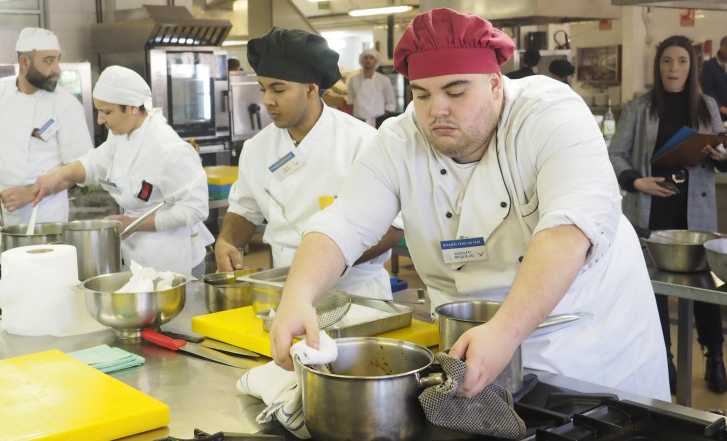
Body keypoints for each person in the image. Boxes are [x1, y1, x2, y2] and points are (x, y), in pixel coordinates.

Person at [268, 8, 670, 402]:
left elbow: (567, 231)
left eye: (455, 92)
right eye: (421, 95)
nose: (435, 110)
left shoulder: (550, 114)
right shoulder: (401, 138)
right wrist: (297, 295)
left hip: (582, 343)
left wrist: (505, 332)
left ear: (496, 84)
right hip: (468, 348)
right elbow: (343, 223)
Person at [214, 27, 403, 300]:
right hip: (285, 288)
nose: (268, 100)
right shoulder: (257, 148)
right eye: (264, 89)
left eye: (279, 89)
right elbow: (245, 209)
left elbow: (393, 227)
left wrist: (324, 263)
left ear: (311, 89)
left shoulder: (362, 142)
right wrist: (227, 240)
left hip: (356, 295)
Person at [609, 35, 727, 395]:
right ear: (657, 65)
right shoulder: (639, 108)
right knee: (652, 291)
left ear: (692, 68)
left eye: (681, 62)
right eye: (666, 61)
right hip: (651, 212)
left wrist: (720, 156)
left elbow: (718, 157)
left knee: (705, 287)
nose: (673, 68)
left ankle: (714, 357)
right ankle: (664, 359)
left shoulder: (707, 107)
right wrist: (635, 181)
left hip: (696, 215)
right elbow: (615, 155)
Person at [31, 66, 213, 276]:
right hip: (137, 257)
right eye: (98, 110)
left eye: (107, 112)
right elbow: (94, 163)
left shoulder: (169, 149)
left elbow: (195, 209)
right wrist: (56, 176)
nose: (100, 120)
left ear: (134, 107)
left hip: (174, 261)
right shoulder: (120, 134)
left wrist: (134, 224)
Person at [0, 27, 93, 225]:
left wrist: (29, 194)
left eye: (58, 59)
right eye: (49, 61)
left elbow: (79, 169)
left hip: (45, 214)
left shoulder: (66, 104)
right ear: (24, 62)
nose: (57, 69)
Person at [347, 49, 397, 127]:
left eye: (371, 57)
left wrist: (380, 116)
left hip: (378, 120)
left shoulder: (384, 80)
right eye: (366, 57)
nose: (368, 60)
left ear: (376, 61)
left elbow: (391, 103)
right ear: (362, 60)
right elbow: (350, 101)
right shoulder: (353, 80)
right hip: (358, 120)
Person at [701, 36, 727, 122]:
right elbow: (707, 89)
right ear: (721, 46)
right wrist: (720, 107)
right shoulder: (709, 65)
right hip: (716, 112)